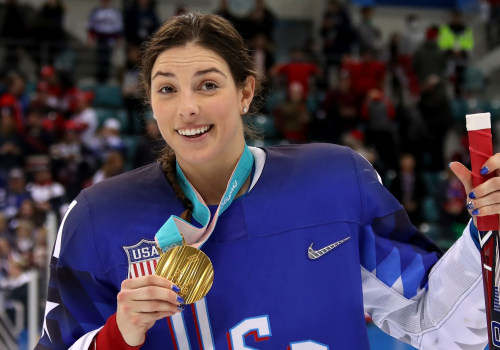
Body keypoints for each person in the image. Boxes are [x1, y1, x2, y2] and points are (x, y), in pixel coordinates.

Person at [37, 12, 494, 350]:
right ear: (151, 103)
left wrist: (489, 233)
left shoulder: (334, 182)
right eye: (167, 88)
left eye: (208, 85)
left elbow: (432, 320)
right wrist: (119, 334)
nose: (187, 107)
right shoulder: (98, 217)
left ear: (246, 92)